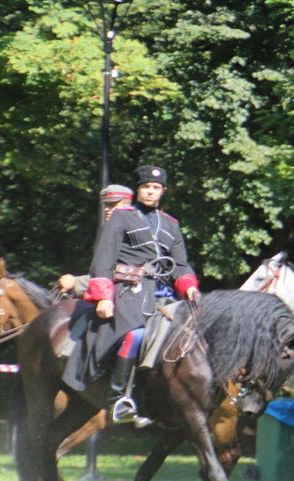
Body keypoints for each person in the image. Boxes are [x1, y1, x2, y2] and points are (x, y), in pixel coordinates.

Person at [62, 165, 200, 425]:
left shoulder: (171, 225)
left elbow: (180, 265)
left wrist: (189, 287)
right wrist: (103, 296)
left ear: (163, 191)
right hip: (128, 292)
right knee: (135, 334)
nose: (150, 191)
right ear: (138, 190)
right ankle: (118, 400)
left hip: (163, 295)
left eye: (155, 187)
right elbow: (103, 258)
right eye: (146, 187)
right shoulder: (122, 216)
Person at [58, 184, 135, 296]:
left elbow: (128, 272)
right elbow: (97, 271)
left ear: (127, 205)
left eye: (113, 205)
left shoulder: (136, 230)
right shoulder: (106, 228)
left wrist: (77, 282)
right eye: (106, 205)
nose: (107, 209)